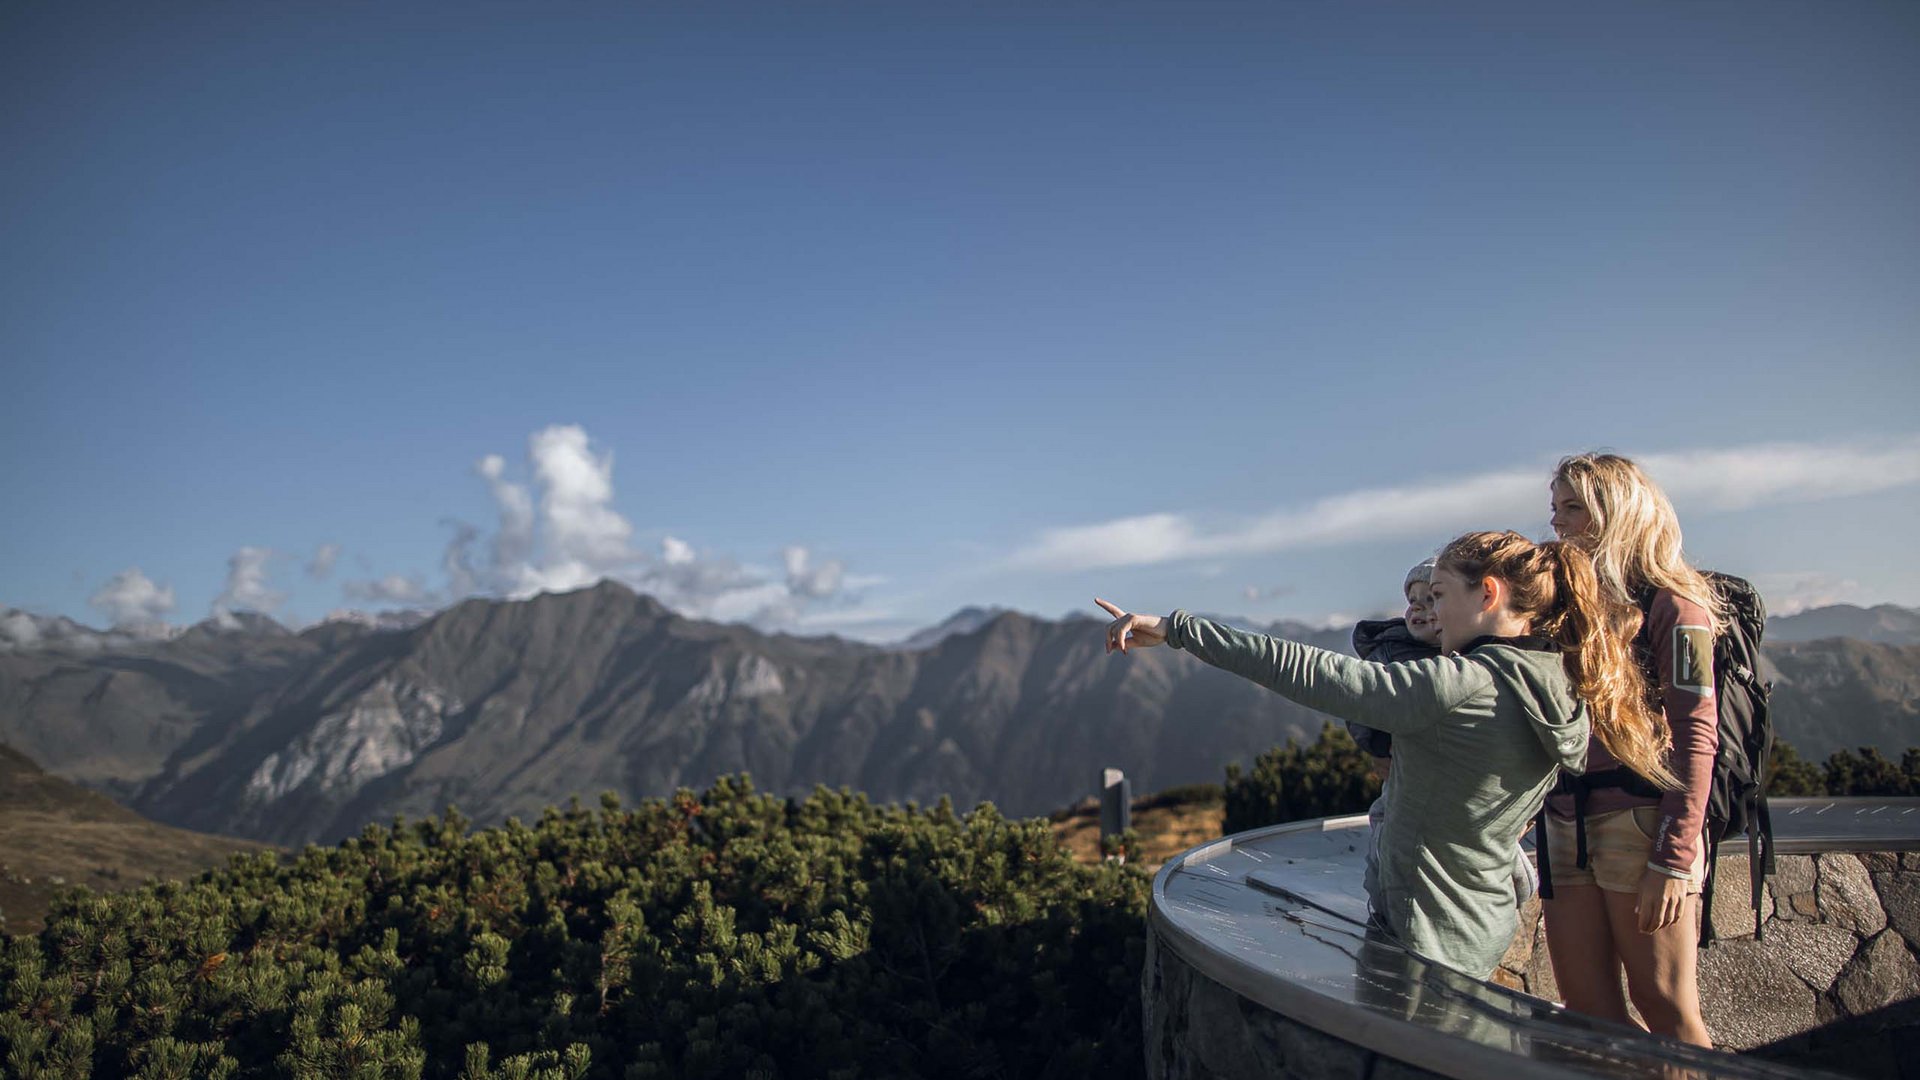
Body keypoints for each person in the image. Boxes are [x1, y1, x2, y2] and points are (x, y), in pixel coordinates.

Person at [1095, 529, 1649, 979]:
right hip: (1481, 916)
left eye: (1439, 596)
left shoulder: (1462, 687)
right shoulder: (1553, 682)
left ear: (1488, 594)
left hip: (1426, 939)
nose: (1431, 613)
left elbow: (1311, 671)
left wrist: (1176, 631)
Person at [1541, 452, 1719, 1047]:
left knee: (1666, 1010)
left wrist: (1673, 857)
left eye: (1574, 508)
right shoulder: (1568, 607)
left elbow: (1696, 732)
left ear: (1617, 513)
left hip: (1643, 825)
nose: (1559, 524)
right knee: (1588, 1013)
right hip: (1566, 823)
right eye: (1556, 508)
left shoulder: (1677, 607)